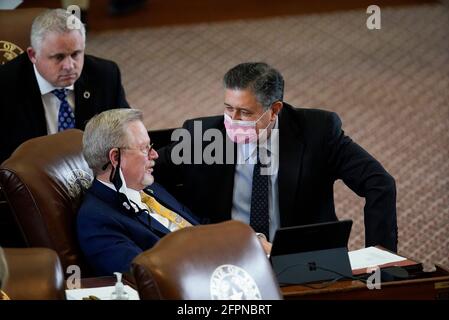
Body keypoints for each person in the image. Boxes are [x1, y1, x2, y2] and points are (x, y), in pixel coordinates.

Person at [155, 62, 398, 252]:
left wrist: (380, 261)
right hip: (226, 254)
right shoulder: (201, 138)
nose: (234, 120)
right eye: (229, 109)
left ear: (275, 110)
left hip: (300, 255)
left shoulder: (318, 131)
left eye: (245, 112)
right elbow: (144, 170)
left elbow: (379, 184)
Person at [77, 109, 199, 276]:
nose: (154, 155)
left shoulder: (150, 188)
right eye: (144, 148)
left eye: (151, 147)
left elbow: (198, 226)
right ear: (115, 158)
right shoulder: (96, 219)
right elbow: (144, 277)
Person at [0, 9, 129, 164]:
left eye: (75, 54)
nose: (69, 66)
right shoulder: (5, 86)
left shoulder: (105, 76)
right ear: (33, 55)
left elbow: (126, 134)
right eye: (58, 57)